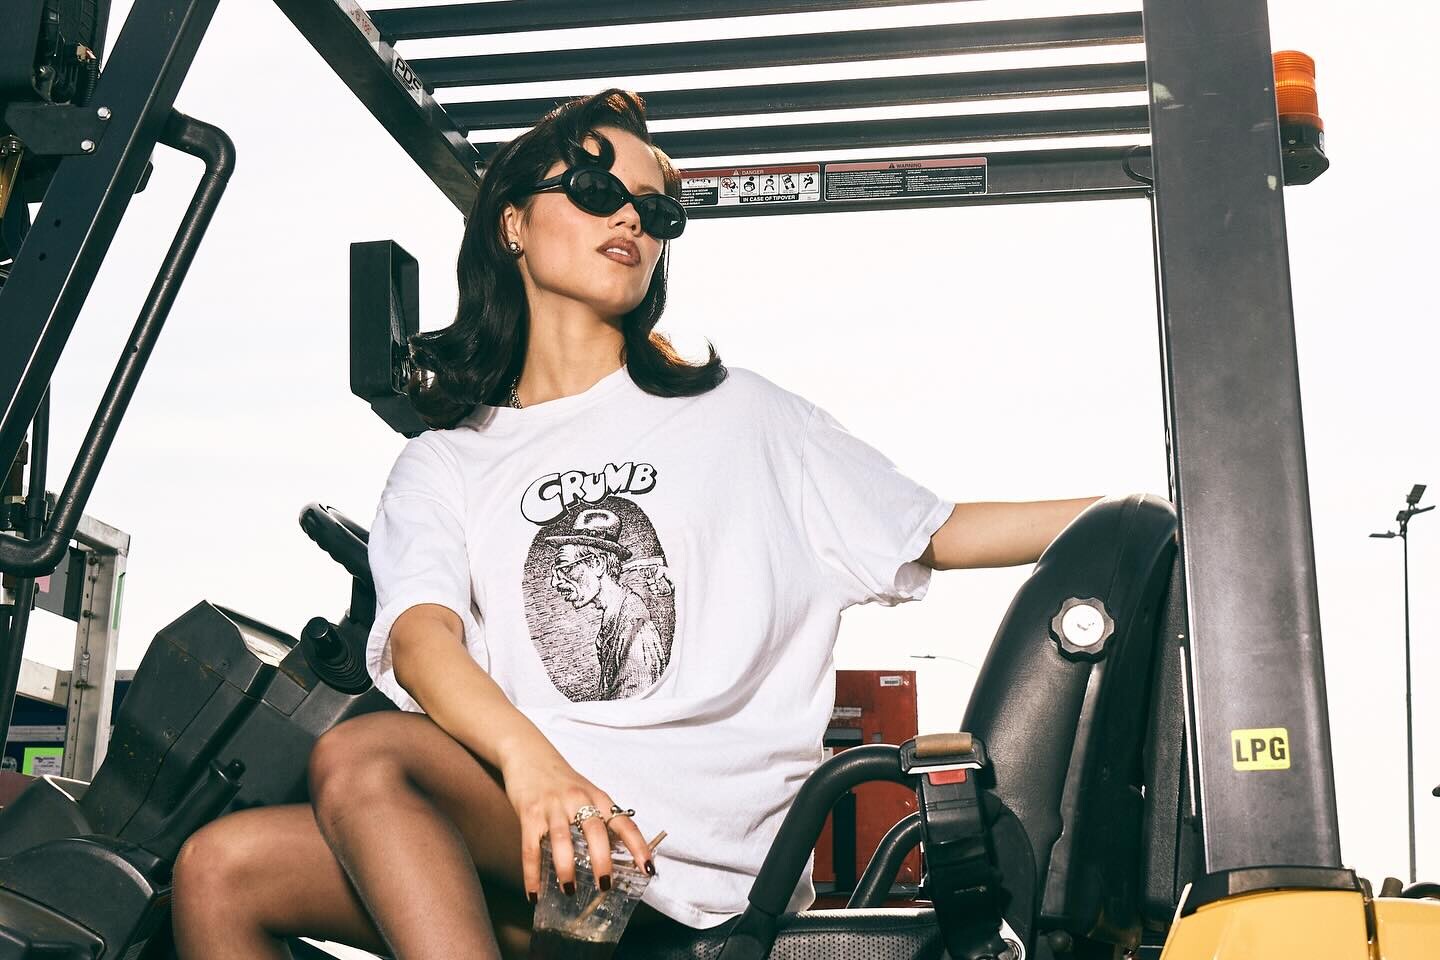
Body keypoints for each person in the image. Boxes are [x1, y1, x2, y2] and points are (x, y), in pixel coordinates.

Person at [169, 89, 1100, 960]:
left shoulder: (744, 418)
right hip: (543, 842)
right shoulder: (448, 462)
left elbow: (938, 531)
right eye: (594, 188)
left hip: (703, 878)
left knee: (363, 752)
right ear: (512, 224)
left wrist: (1150, 510)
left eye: (656, 212)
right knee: (218, 870)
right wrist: (538, 772)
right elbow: (419, 641)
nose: (630, 219)